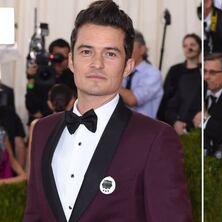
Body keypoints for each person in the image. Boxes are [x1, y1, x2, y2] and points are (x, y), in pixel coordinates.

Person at [24, 1, 192, 221]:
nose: (97, 63)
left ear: (128, 66)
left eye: (110, 54)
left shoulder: (155, 138)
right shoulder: (42, 131)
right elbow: (35, 214)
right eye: (86, 51)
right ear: (72, 61)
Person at [159, 34, 202, 135]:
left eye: (192, 45)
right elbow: (166, 97)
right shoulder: (175, 70)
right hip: (173, 123)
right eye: (185, 46)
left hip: (196, 126)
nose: (189, 48)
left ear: (200, 47)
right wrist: (174, 121)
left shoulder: (204, 71)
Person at [25, 38, 76, 123]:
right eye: (57, 56)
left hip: (66, 122)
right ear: (50, 56)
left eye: (64, 57)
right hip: (41, 123)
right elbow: (31, 107)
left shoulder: (73, 77)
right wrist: (30, 79)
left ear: (69, 58)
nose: (60, 60)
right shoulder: (41, 73)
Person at [119, 30, 163, 119]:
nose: (126, 50)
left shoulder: (153, 73)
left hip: (144, 128)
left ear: (142, 49)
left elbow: (132, 100)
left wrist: (110, 82)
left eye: (130, 47)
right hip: (118, 125)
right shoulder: (121, 69)